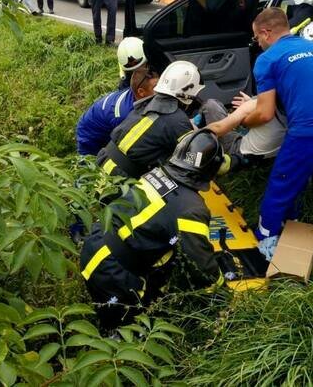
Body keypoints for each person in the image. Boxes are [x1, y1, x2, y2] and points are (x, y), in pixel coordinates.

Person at [209, 8, 313, 261]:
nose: (258, 43)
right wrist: (254, 101)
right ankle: (293, 218)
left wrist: (244, 119)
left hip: (312, 132)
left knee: (279, 183)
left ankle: (265, 243)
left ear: (265, 33)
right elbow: (300, 91)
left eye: (256, 38)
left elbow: (264, 115)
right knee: (298, 173)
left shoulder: (268, 59)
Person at [80, 129, 226, 329]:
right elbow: (199, 266)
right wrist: (222, 291)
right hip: (115, 273)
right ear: (210, 172)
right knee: (127, 326)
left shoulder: (155, 174)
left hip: (94, 245)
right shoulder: (191, 209)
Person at [96, 61, 202, 178]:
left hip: (102, 161)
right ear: (189, 95)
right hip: (122, 178)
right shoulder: (178, 119)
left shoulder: (147, 102)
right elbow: (193, 158)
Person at [76, 66, 159, 156]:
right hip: (90, 135)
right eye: (156, 88)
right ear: (141, 92)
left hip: (102, 118)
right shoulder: (124, 115)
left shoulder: (136, 91)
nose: (161, 90)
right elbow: (131, 146)